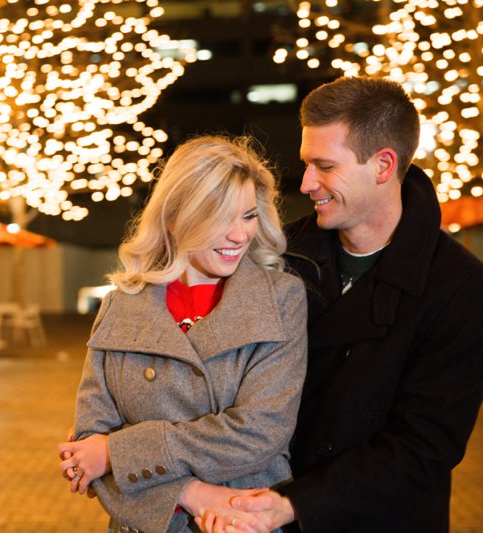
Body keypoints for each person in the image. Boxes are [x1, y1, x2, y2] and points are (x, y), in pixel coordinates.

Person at [183, 76, 483, 533]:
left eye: (324, 166)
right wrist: (128, 430)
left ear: (383, 165)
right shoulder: (279, 254)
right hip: (253, 511)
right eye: (307, 164)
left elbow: (424, 448)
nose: (308, 182)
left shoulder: (460, 286)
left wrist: (294, 504)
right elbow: (210, 365)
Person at [57, 135, 308, 533]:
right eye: (220, 217)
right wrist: (191, 493)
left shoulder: (281, 299)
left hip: (243, 521)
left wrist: (117, 453)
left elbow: (261, 431)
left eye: (247, 215)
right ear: (174, 217)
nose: (240, 236)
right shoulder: (122, 304)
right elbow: (88, 445)